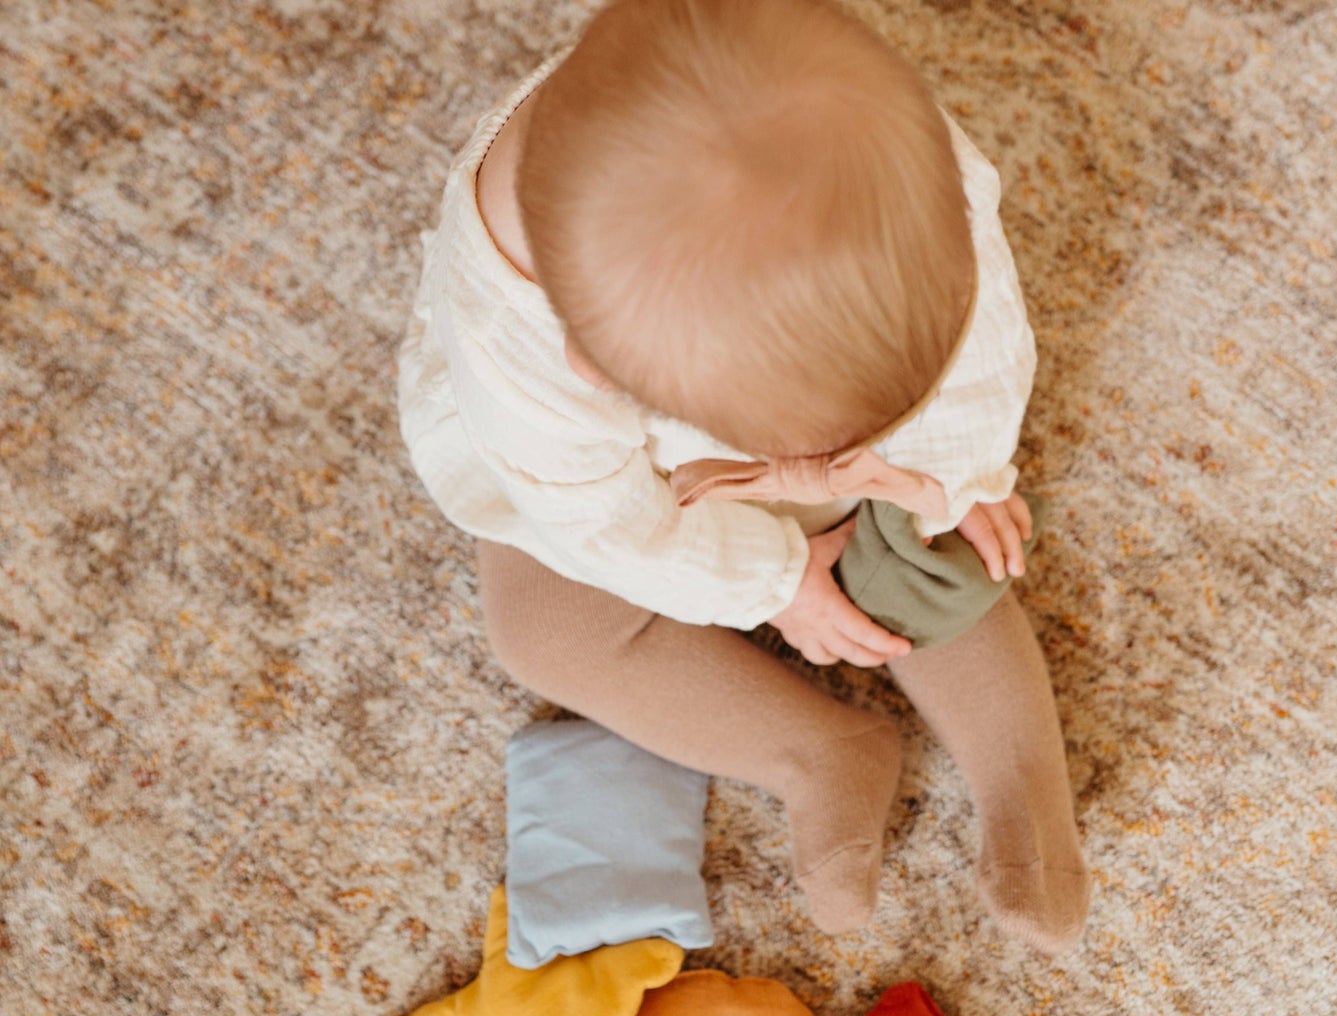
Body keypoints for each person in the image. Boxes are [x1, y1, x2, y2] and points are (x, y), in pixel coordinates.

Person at [397, 0, 1090, 951]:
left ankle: (1020, 783)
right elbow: (600, 523)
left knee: (935, 546)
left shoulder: (901, 176)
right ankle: (815, 752)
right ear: (599, 365)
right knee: (546, 629)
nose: (803, 482)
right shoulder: (523, 357)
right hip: (640, 494)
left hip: (777, 377)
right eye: (792, 456)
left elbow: (978, 339)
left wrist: (955, 476)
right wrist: (770, 579)